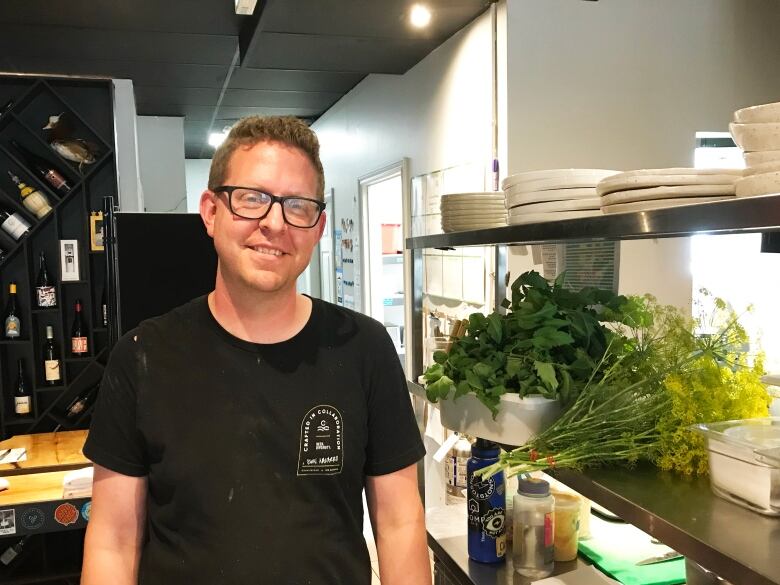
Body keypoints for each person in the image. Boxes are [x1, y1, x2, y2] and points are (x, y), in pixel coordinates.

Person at [81, 116, 430, 585]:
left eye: (298, 206)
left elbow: (400, 525)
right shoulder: (143, 355)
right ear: (210, 211)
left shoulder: (365, 349)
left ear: (318, 226)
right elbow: (112, 540)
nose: (274, 223)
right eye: (252, 199)